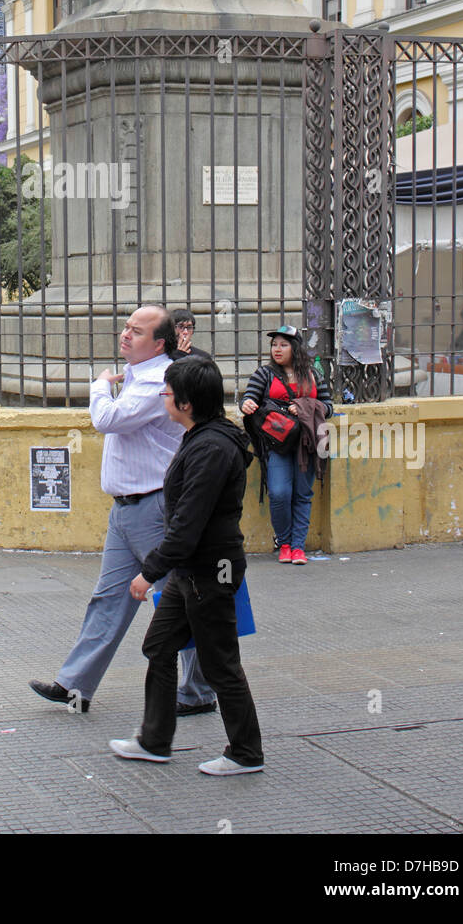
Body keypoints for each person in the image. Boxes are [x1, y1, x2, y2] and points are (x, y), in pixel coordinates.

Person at [30, 304, 216, 714]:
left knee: (181, 598)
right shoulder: (137, 376)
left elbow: (107, 419)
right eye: (126, 328)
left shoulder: (160, 382)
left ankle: (201, 691)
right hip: (126, 509)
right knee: (109, 598)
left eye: (137, 331)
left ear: (160, 343)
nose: (126, 335)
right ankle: (74, 685)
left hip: (154, 507)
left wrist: (98, 385)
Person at [109, 356, 264, 774]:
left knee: (219, 662)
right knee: (159, 645)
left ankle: (246, 752)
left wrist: (148, 572)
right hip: (191, 572)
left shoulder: (212, 448)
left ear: (186, 402)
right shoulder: (200, 437)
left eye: (168, 391)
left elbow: (187, 524)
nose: (163, 395)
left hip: (212, 571)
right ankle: (155, 740)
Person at [240, 324, 333, 565]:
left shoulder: (313, 374)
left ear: (296, 348)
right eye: (274, 345)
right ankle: (284, 543)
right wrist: (247, 403)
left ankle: (299, 548)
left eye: (283, 345)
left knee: (303, 494)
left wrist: (304, 406)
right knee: (280, 493)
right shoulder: (265, 374)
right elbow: (249, 396)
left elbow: (328, 406)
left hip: (307, 443)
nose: (277, 349)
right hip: (276, 444)